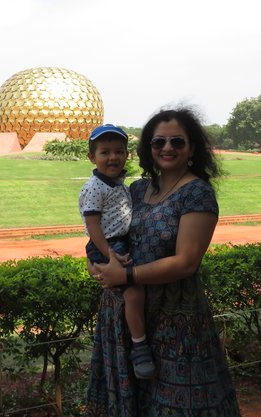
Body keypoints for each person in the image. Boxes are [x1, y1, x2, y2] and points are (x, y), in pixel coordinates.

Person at [86, 108, 241, 417]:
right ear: (149, 148)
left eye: (177, 142)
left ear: (192, 148)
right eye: (159, 142)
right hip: (126, 319)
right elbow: (106, 230)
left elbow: (186, 263)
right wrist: (97, 263)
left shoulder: (197, 193)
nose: (167, 148)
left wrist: (126, 276)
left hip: (176, 324)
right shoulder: (138, 189)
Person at [80, 124, 156, 380]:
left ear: (126, 154)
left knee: (135, 286)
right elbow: (92, 226)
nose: (112, 157)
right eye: (104, 152)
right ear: (92, 157)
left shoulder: (118, 183)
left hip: (119, 242)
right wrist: (109, 255)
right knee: (134, 291)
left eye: (118, 151)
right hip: (108, 243)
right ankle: (139, 345)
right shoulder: (94, 187)